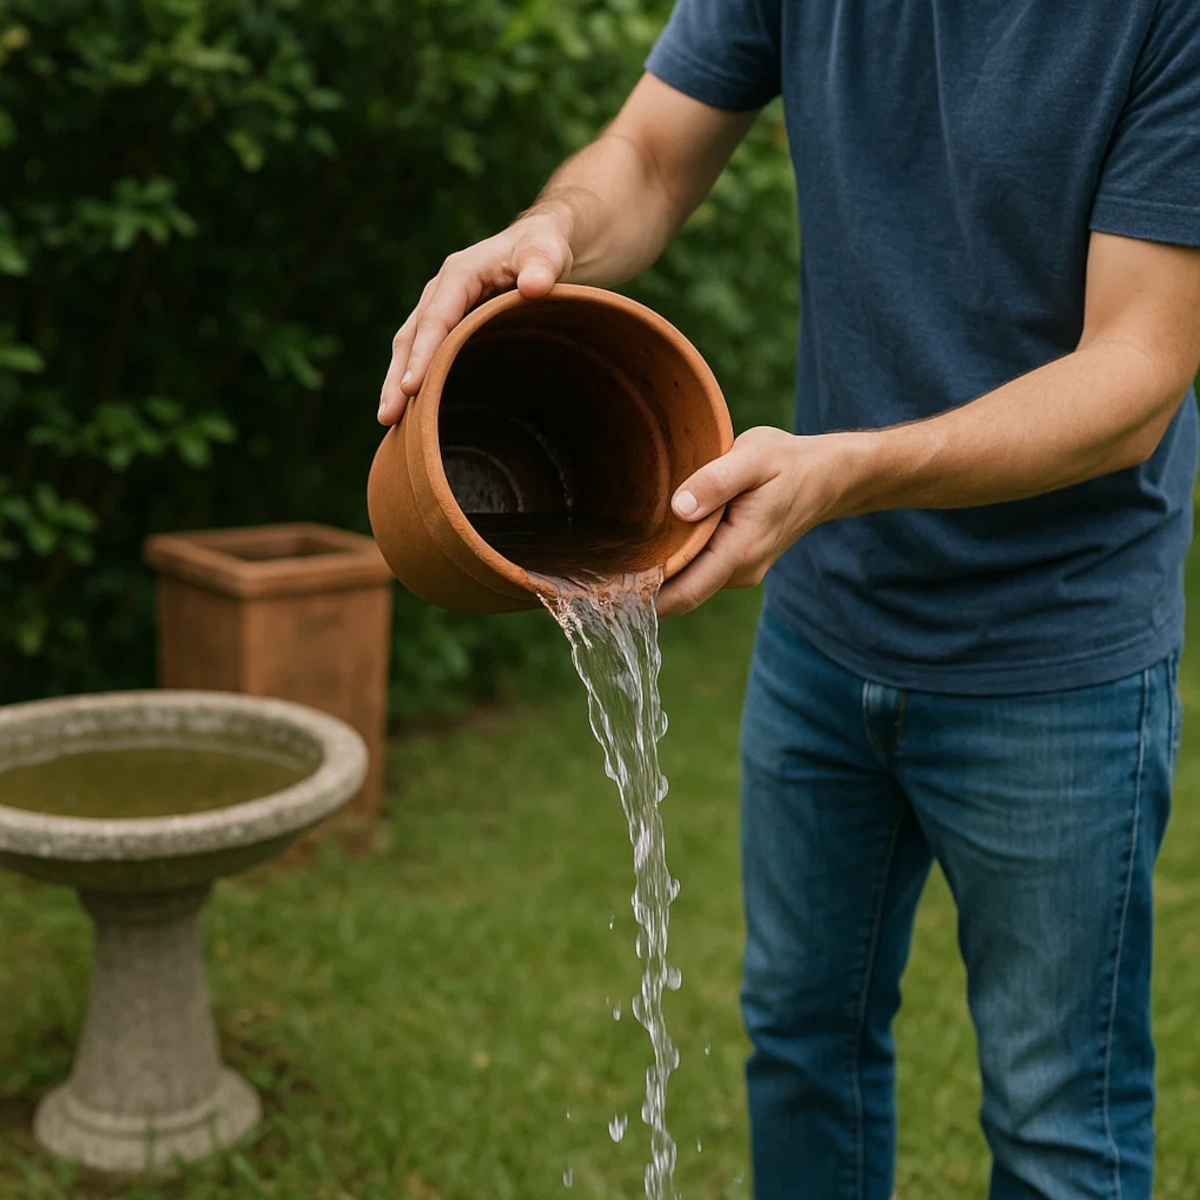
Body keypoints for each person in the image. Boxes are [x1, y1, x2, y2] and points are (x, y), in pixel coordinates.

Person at [378, 1, 1200, 1195]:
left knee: (1057, 1124)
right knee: (803, 1048)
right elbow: (650, 157)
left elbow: (1136, 378)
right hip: (825, 629)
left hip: (1055, 651)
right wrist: (550, 227)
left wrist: (848, 468)